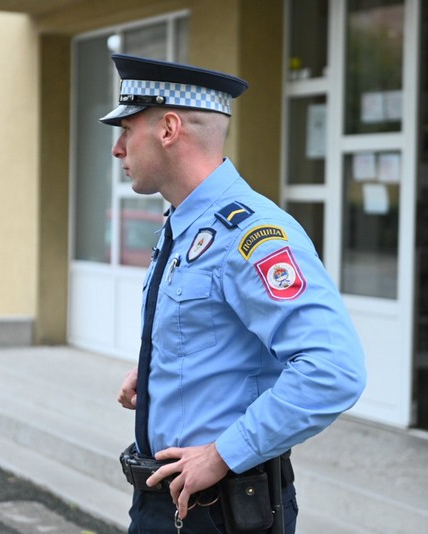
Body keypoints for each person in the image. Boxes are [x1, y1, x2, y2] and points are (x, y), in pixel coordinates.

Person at [102, 54, 366, 534]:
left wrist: (225, 452)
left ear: (168, 129)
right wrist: (161, 370)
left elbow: (333, 368)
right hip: (165, 501)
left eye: (127, 129)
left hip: (221, 512)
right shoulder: (186, 222)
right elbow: (212, 328)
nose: (118, 149)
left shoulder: (253, 234)